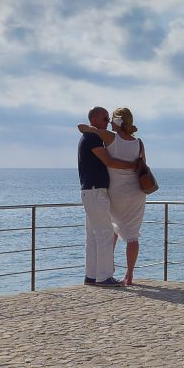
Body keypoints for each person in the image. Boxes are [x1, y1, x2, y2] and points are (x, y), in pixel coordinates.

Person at [78, 107, 147, 286]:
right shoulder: (139, 142)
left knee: (106, 231)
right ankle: (127, 275)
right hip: (136, 193)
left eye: (110, 119)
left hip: (114, 191)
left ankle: (102, 274)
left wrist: (94, 128)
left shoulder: (108, 137)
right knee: (131, 235)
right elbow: (143, 165)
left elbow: (83, 127)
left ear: (117, 121)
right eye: (105, 118)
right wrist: (132, 165)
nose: (108, 122)